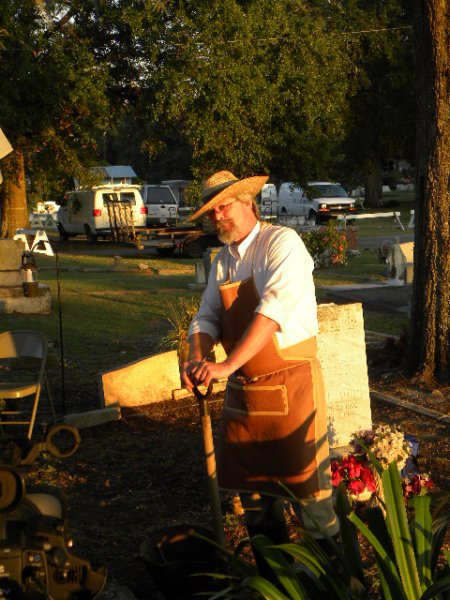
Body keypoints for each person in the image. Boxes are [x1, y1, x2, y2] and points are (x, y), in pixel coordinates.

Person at [181, 170, 339, 566]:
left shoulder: (282, 244)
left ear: (247, 201)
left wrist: (227, 365)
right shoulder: (222, 260)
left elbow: (272, 312)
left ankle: (336, 584)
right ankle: (274, 582)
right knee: (255, 501)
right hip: (244, 395)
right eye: (211, 212)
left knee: (311, 497)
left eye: (223, 207)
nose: (218, 217)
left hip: (293, 385)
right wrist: (195, 357)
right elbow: (206, 317)